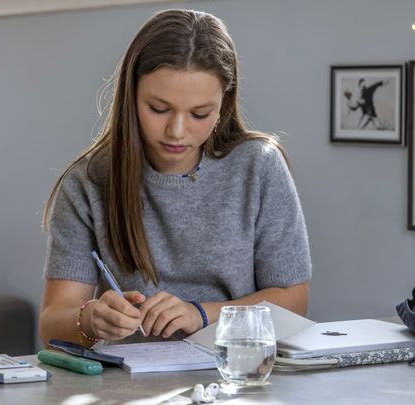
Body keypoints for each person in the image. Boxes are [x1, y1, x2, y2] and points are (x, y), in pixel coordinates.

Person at [39, 9, 311, 348]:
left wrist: (202, 313)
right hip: (126, 386)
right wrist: (90, 318)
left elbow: (293, 300)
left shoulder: (259, 166)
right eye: (158, 109)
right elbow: (52, 323)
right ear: (130, 96)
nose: (177, 131)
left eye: (200, 113)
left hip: (236, 371)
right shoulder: (88, 182)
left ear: (223, 105)